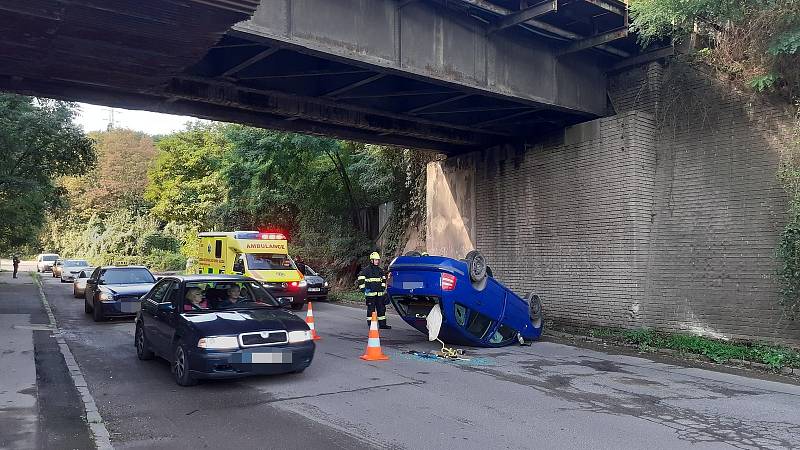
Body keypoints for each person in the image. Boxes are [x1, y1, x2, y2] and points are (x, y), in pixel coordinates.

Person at [357, 252, 390, 329]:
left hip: (379, 295)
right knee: (371, 310)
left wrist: (382, 288)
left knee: (381, 310)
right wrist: (364, 289)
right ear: (371, 260)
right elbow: (361, 280)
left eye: (378, 260)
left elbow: (383, 280)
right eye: (376, 260)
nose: (377, 261)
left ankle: (382, 325)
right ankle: (371, 324)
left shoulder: (380, 270)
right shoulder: (366, 270)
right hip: (370, 295)